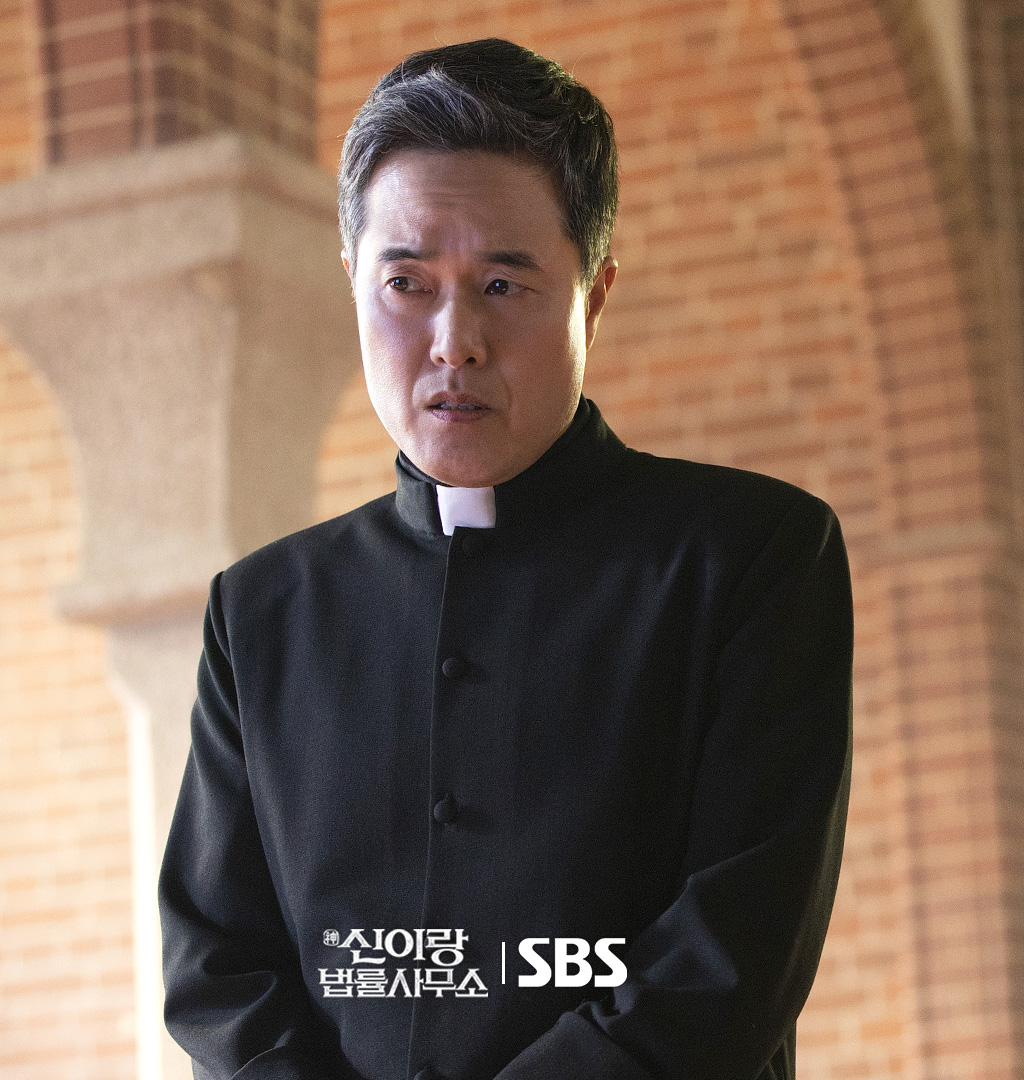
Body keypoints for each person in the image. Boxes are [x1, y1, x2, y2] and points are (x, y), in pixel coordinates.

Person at [159, 38, 853, 1080]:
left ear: (594, 294)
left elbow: (732, 950)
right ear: (352, 284)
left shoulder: (749, 558)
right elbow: (216, 967)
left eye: (501, 282)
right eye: (407, 283)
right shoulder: (261, 612)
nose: (456, 341)